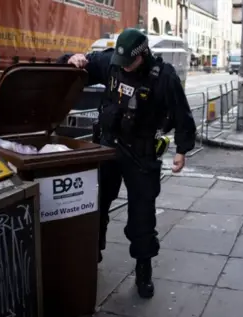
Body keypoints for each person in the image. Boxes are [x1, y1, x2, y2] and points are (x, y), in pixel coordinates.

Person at [59, 29, 196, 298]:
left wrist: (182, 150)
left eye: (129, 64)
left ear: (142, 56)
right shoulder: (111, 62)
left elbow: (182, 114)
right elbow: (72, 62)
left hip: (141, 155)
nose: (123, 68)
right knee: (97, 205)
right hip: (108, 148)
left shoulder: (163, 76)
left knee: (142, 216)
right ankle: (93, 254)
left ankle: (143, 269)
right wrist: (70, 58)